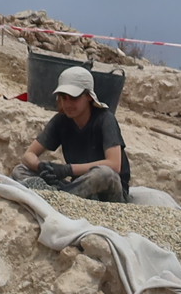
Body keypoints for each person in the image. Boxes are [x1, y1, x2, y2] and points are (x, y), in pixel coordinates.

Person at [20, 65, 127, 201]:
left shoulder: (105, 119)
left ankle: (59, 199)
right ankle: (60, 196)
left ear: (88, 96)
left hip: (108, 192)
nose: (68, 104)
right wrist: (41, 167)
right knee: (21, 170)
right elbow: (28, 155)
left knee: (104, 174)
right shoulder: (61, 120)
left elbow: (114, 165)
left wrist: (68, 170)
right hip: (76, 186)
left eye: (74, 98)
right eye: (64, 98)